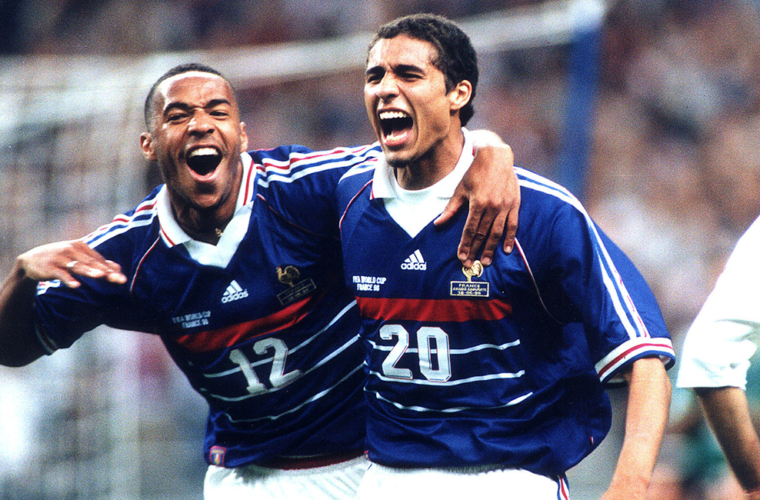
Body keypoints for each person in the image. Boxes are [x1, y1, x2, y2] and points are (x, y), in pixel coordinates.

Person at [0, 63, 519, 499]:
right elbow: (12, 348)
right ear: (149, 145)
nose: (200, 125)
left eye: (217, 111)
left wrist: (491, 151)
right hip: (253, 476)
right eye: (178, 116)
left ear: (242, 136)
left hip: (375, 460)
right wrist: (22, 274)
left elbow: (423, 155)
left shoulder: (305, 189)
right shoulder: (126, 256)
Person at [335, 14, 675, 500]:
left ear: (458, 93)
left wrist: (630, 485)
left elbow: (645, 356)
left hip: (509, 478)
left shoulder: (541, 212)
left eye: (408, 74)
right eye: (375, 76)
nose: (386, 89)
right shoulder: (344, 196)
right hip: (386, 479)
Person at [676, 215, 760, 500]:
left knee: (729, 490)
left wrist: (755, 484)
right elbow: (678, 424)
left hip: (730, 465)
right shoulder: (679, 338)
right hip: (702, 460)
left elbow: (708, 356)